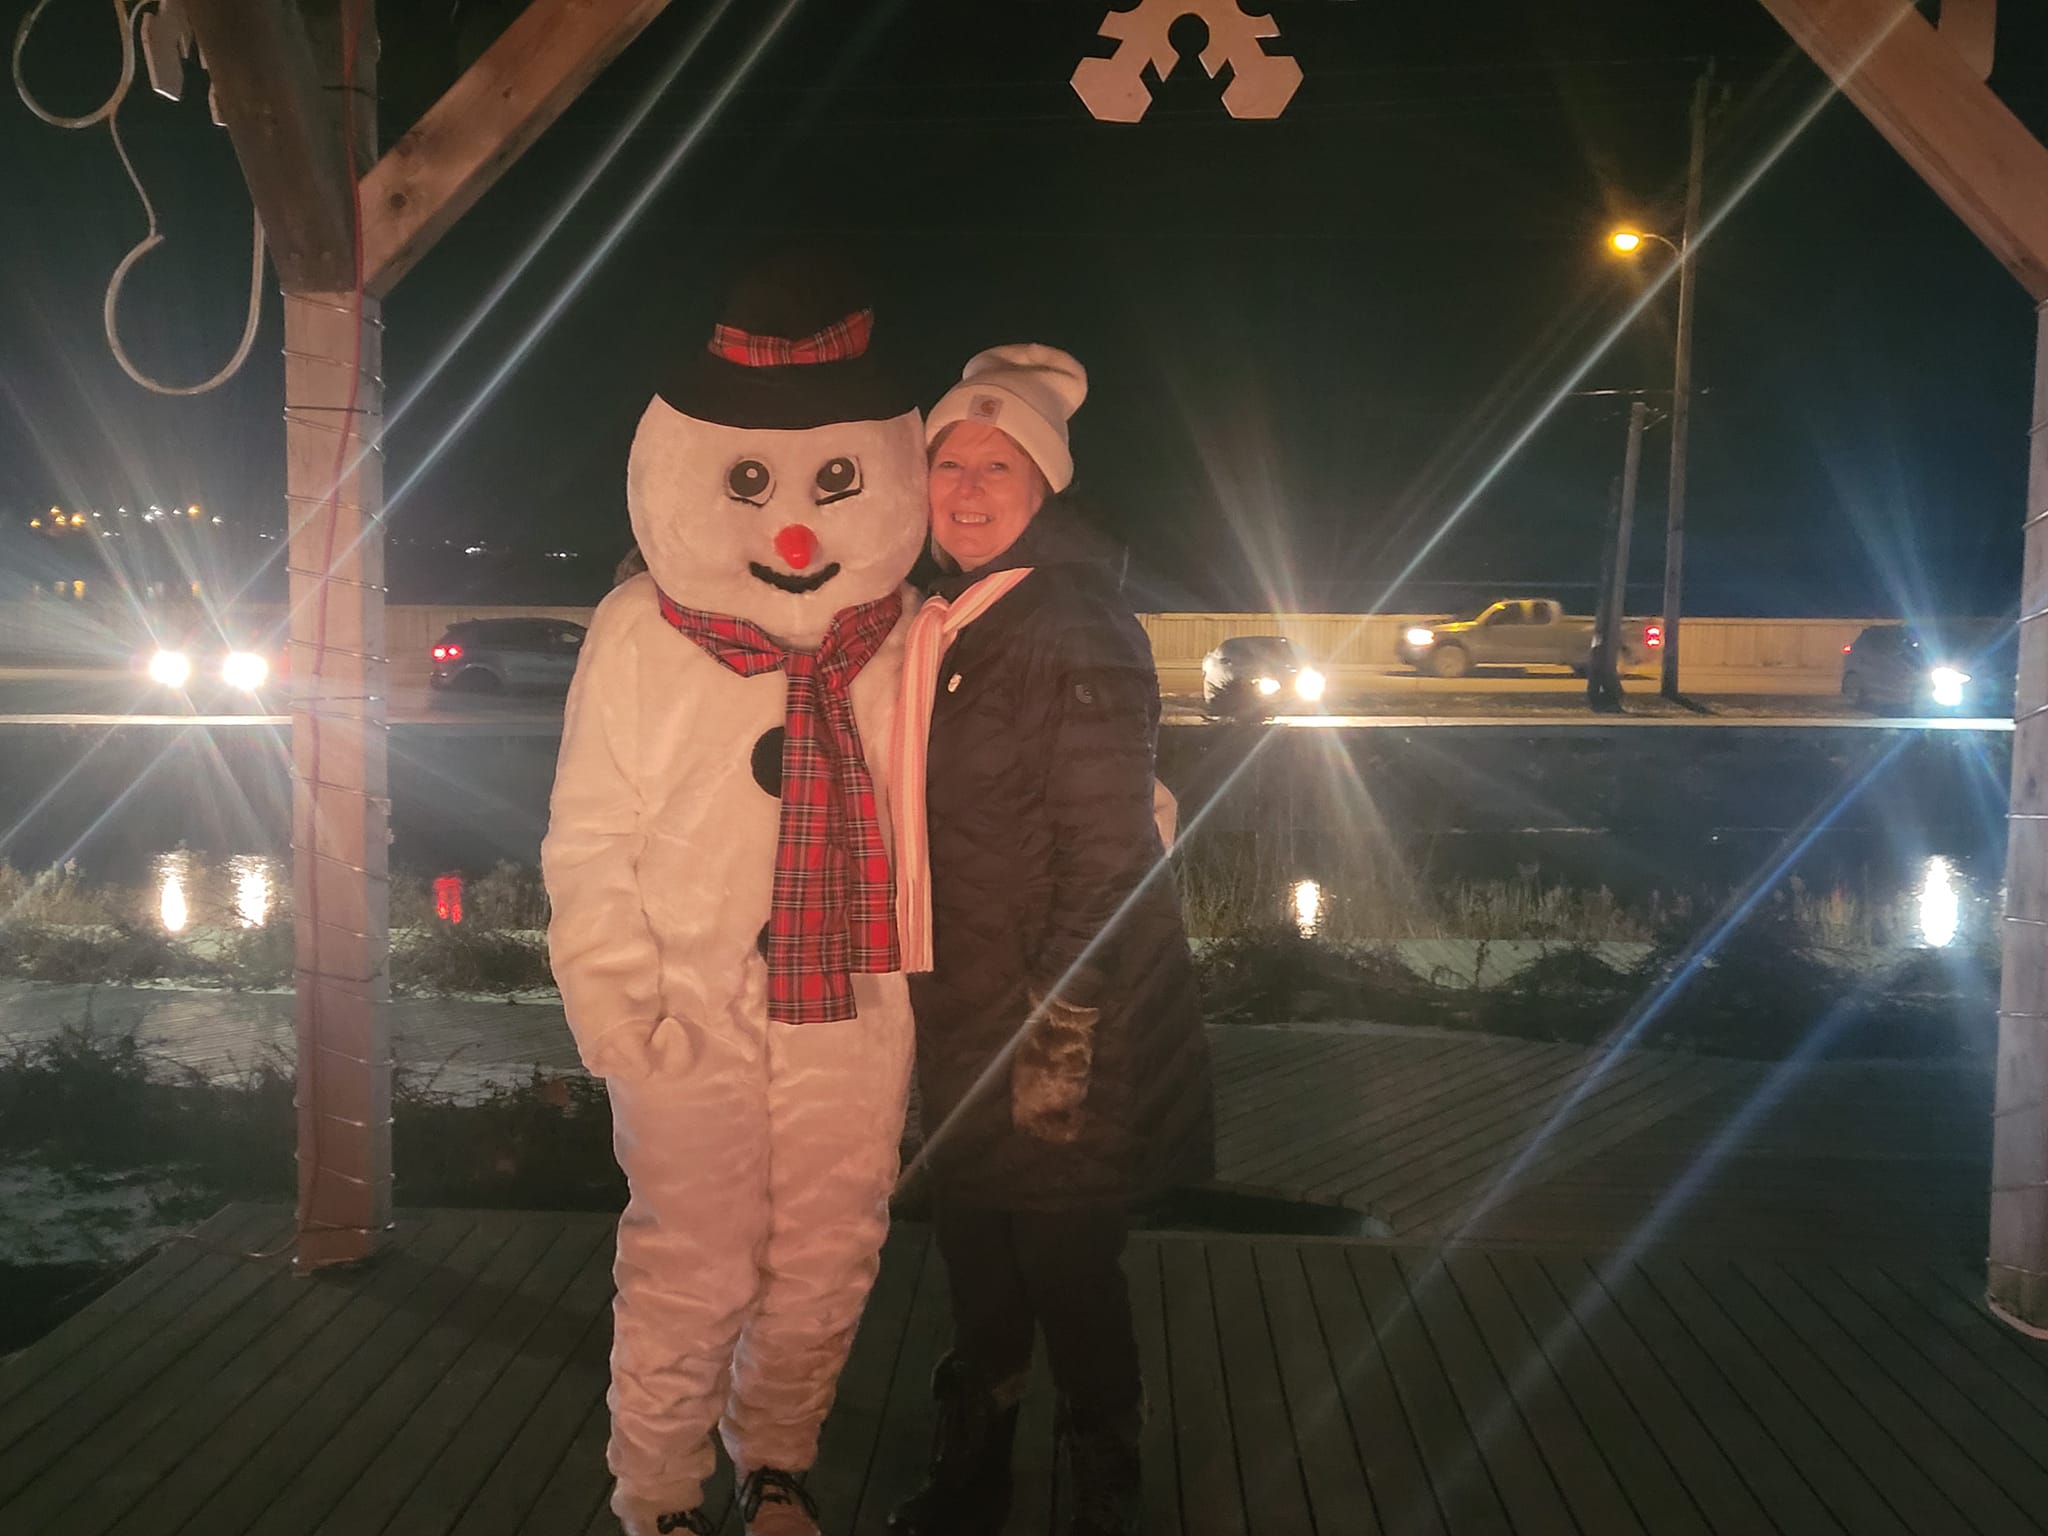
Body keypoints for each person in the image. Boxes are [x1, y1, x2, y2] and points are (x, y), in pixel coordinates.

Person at [544, 261, 930, 1536]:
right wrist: (617, 1011)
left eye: (834, 483)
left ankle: (776, 1461)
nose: (797, 537)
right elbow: (589, 838)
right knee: (689, 1266)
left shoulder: (910, 638)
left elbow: (1000, 774)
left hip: (850, 1007)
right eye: (751, 484)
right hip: (688, 1009)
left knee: (828, 1257)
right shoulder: (638, 634)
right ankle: (657, 1493)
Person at [887, 345, 1214, 1536]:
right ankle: (973, 1476)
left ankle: (1101, 1487)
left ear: (1043, 488)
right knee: (979, 1253)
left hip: (1062, 1012)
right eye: (948, 464)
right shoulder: (947, 622)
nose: (967, 489)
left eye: (998, 466)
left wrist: (1062, 1024)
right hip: (962, 1001)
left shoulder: (1071, 620)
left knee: (1067, 1263)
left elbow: (1107, 848)